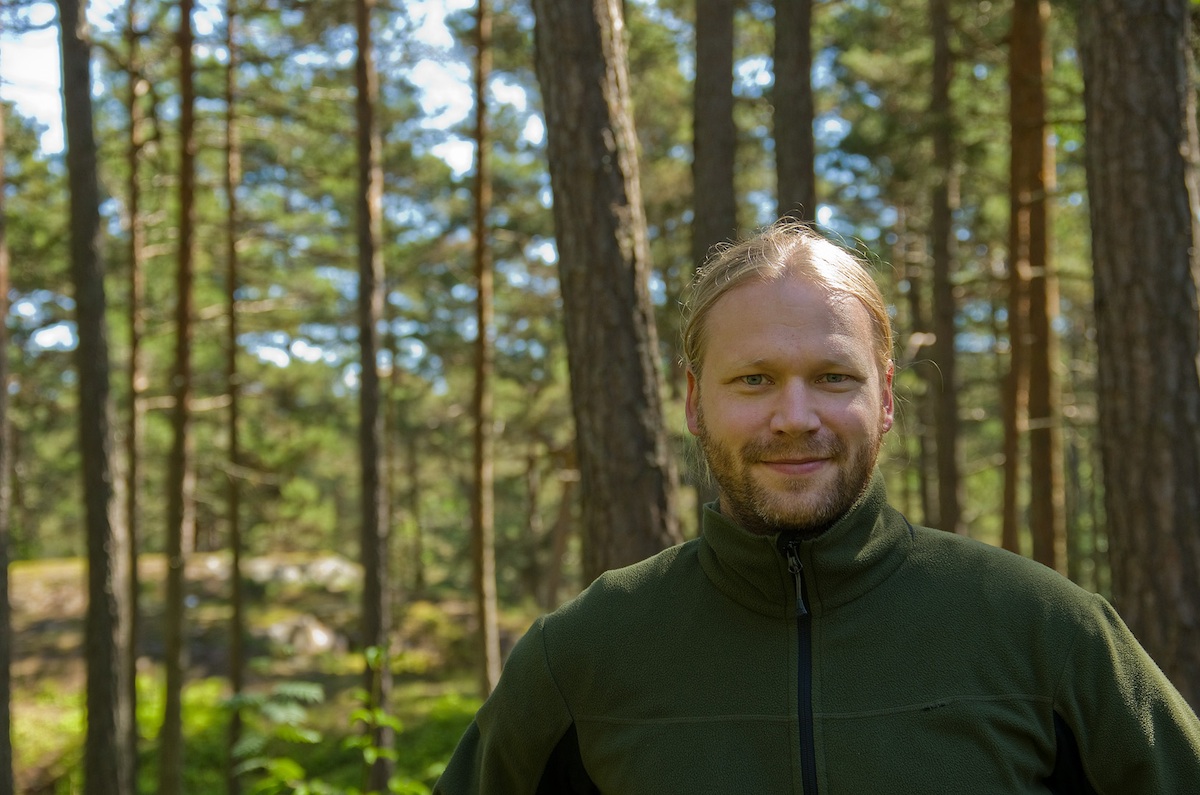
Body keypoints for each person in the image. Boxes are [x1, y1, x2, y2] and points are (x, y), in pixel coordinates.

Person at [435, 220, 1200, 793]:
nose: (795, 416)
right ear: (695, 401)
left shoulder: (1047, 631)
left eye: (833, 377)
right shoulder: (583, 655)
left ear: (886, 397)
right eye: (755, 379)